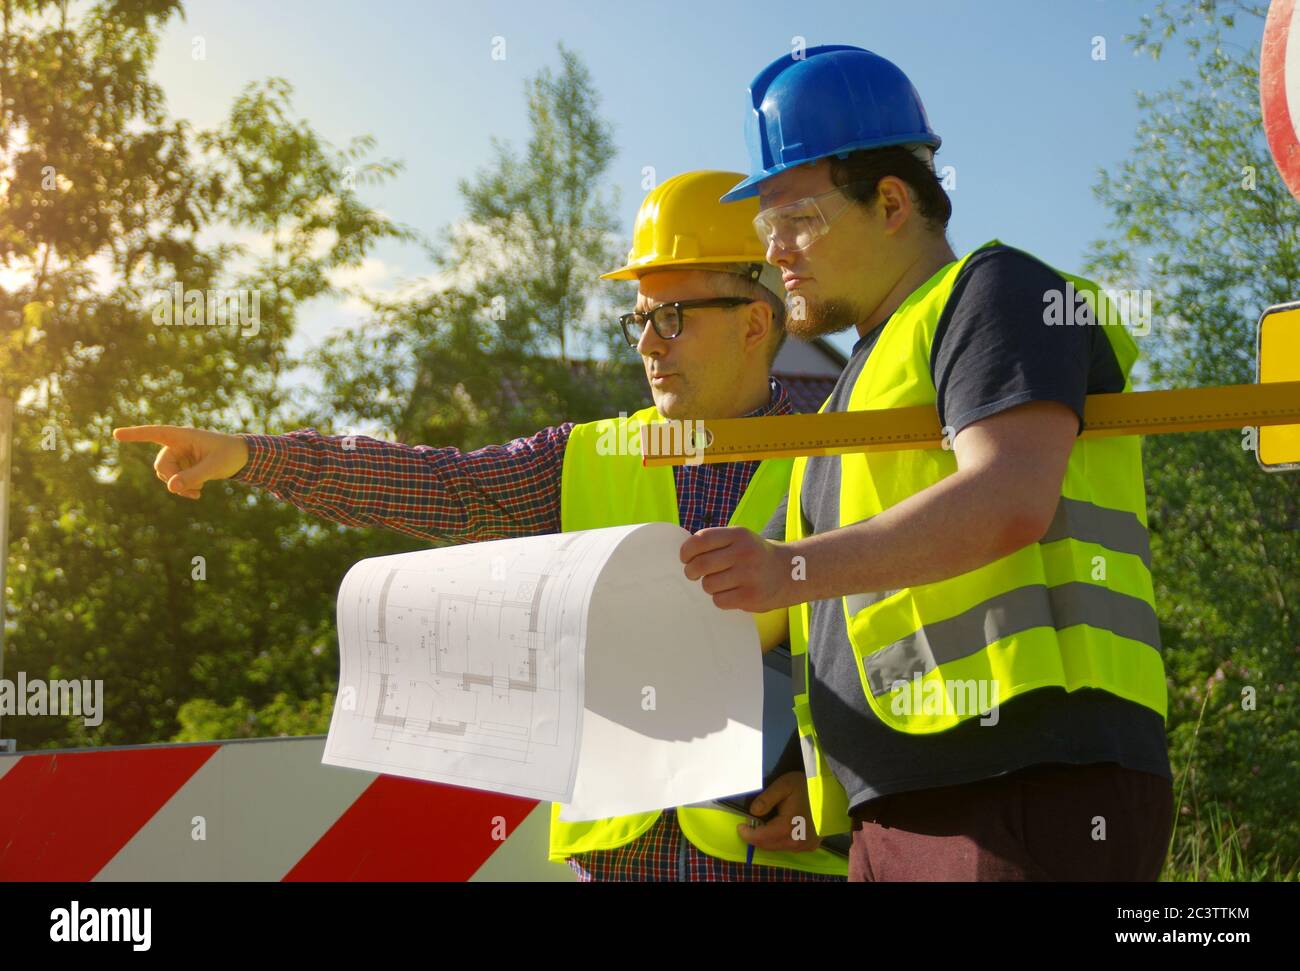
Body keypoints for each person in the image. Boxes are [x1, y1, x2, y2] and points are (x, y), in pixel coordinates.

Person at [114, 169, 846, 883]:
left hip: (770, 860)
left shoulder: (840, 458)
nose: (649, 343)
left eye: (672, 316)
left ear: (754, 321)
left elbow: (895, 651)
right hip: (623, 858)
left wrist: (832, 798)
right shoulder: (585, 456)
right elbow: (440, 484)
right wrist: (252, 456)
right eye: (640, 319)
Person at [681, 45, 1173, 881]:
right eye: (768, 229)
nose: (779, 251)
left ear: (892, 200)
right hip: (902, 804)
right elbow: (781, 611)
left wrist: (785, 570)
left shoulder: (998, 292)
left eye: (796, 218)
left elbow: (1009, 494)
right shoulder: (854, 392)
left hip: (1029, 786)